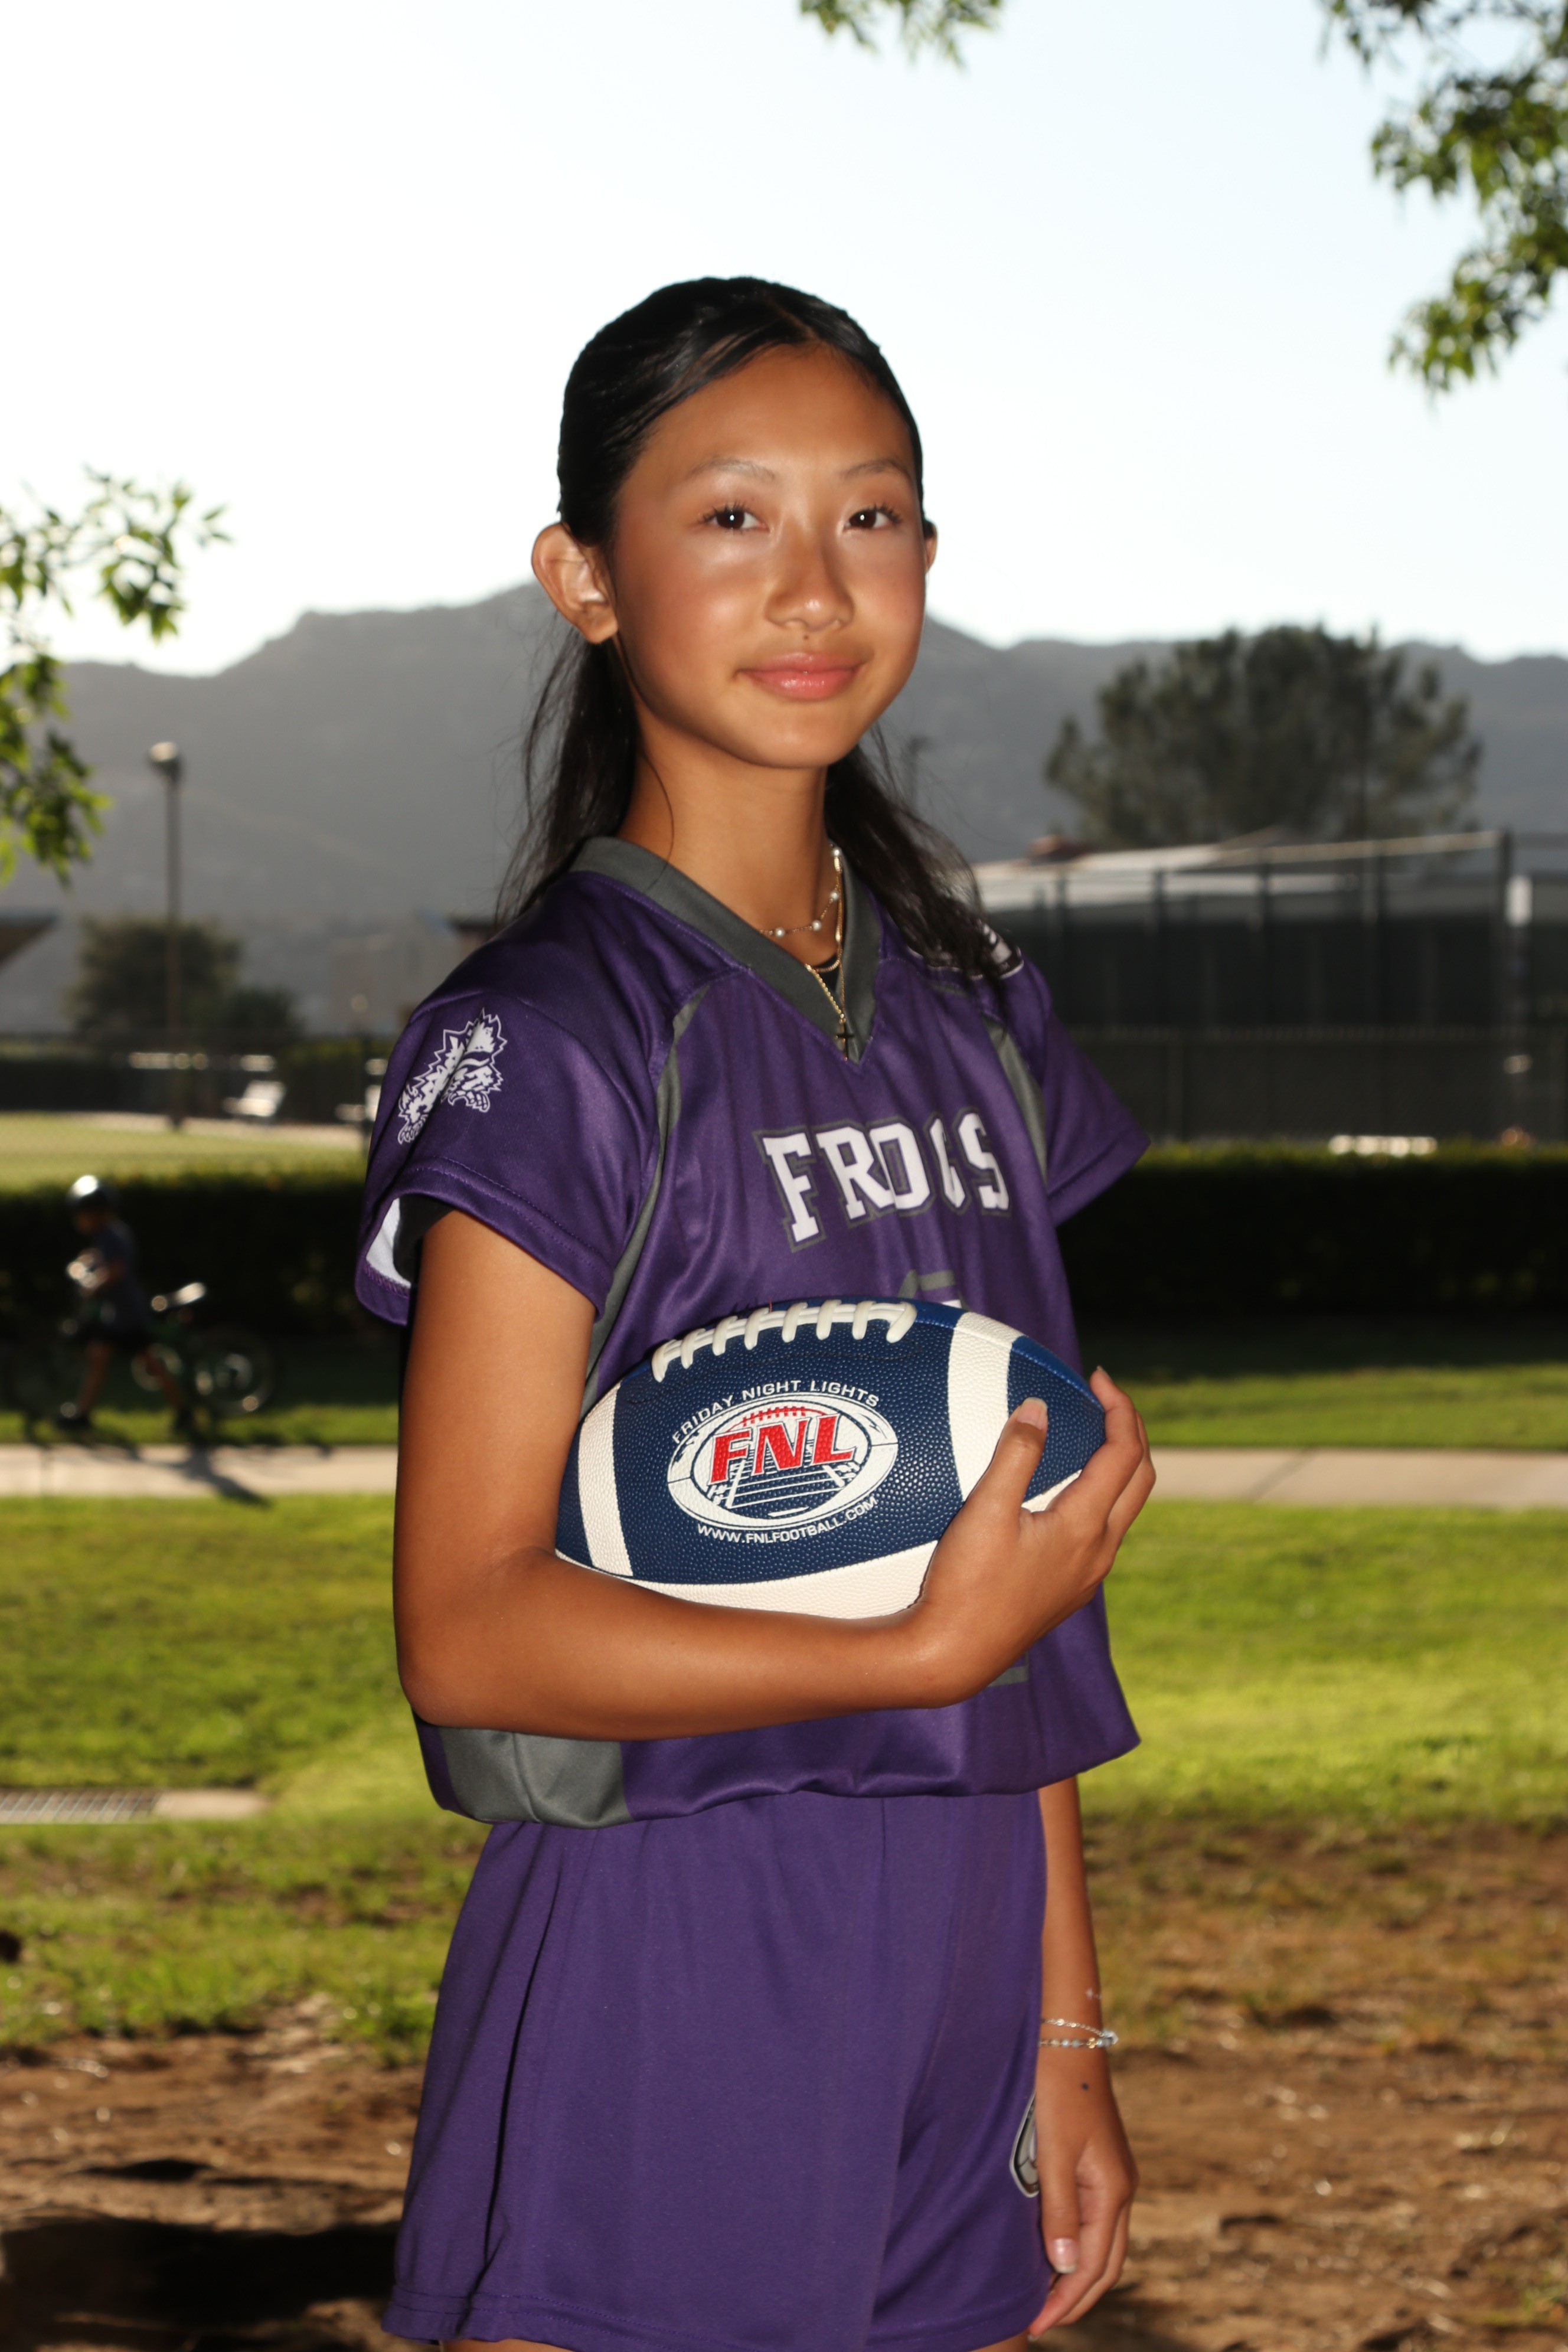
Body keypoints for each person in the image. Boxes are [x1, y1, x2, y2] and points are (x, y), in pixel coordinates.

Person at [356, 278, 1156, 2352]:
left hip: (966, 1966)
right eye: (731, 517)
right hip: (677, 1947)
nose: (814, 585)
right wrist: (909, 1652)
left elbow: (1011, 1580)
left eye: (868, 517)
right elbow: (467, 1621)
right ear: (585, 577)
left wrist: (1066, 2023)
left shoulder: (977, 1016)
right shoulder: (555, 1036)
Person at [57, 1174, 188, 1432]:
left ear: (95, 1214)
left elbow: (117, 1271)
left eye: (81, 1215)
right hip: (122, 1313)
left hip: (126, 1316)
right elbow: (99, 1257)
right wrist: (85, 1263)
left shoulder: (111, 1236)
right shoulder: (109, 1234)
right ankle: (83, 1414)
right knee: (104, 1357)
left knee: (145, 1362)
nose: (79, 1220)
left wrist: (93, 1287)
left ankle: (183, 1410)